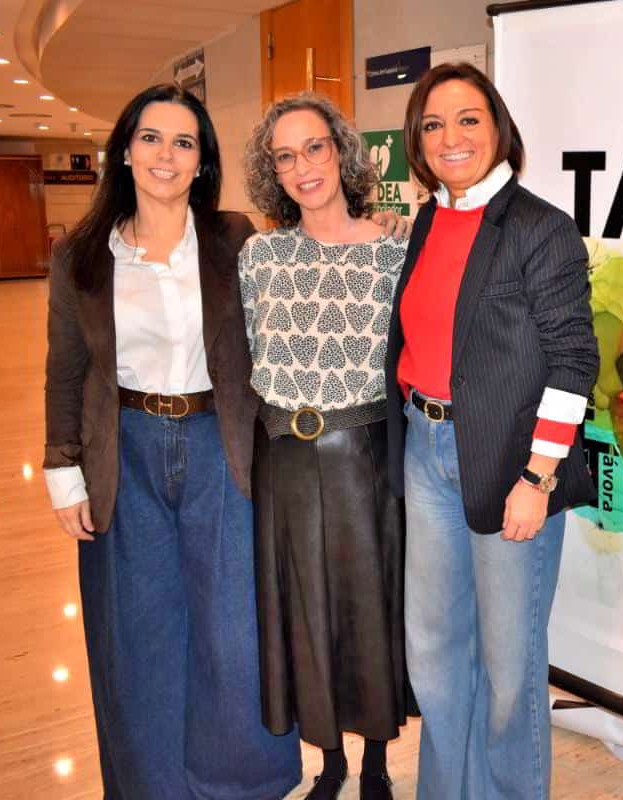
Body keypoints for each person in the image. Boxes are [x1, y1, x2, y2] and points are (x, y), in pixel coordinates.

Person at [42, 83, 301, 799]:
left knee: (233, 629)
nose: (166, 154)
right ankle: (151, 785)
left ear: (201, 160)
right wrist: (63, 471)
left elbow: (301, 282)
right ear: (125, 151)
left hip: (221, 447)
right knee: (140, 634)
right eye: (151, 138)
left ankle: (241, 784)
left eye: (184, 142)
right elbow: (65, 370)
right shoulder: (82, 255)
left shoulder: (233, 239)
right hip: (124, 451)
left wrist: (374, 229)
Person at [387, 62, 599, 800]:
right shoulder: (428, 220)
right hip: (426, 450)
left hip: (513, 464)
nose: (451, 136)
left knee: (510, 669)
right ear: (417, 141)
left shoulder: (541, 228)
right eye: (433, 124)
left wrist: (539, 476)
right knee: (435, 653)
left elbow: (574, 360)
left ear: (499, 128)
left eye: (468, 119)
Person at [240, 92, 414, 800]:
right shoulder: (259, 255)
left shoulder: (395, 248)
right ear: (272, 173)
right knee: (303, 610)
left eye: (314, 147)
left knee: (369, 608)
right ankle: (329, 762)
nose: (303, 166)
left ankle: (374, 762)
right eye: (284, 156)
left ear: (341, 152)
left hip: (365, 457)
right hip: (283, 458)